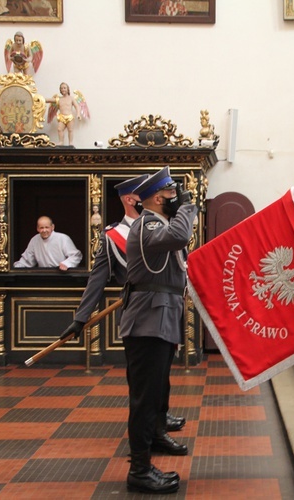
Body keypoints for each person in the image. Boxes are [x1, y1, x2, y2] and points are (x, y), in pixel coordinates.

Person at [59, 175, 187, 439]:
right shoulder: (113, 235)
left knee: (162, 376)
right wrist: (81, 318)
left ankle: (160, 423)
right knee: (144, 381)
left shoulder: (163, 224)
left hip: (166, 309)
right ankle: (147, 433)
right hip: (142, 311)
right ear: (132, 199)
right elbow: (97, 279)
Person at [120, 166, 196, 494]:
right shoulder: (148, 222)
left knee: (154, 394)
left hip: (160, 319)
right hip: (149, 323)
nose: (174, 200)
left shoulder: (156, 223)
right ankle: (139, 470)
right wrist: (188, 207)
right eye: (170, 196)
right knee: (144, 399)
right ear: (155, 199)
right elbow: (179, 236)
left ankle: (152, 443)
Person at [13, 216, 82, 270]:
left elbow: (76, 256)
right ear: (37, 228)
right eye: (41, 228)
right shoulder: (35, 240)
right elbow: (27, 260)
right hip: (43, 275)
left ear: (52, 227)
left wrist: (67, 264)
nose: (44, 230)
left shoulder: (63, 238)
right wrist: (13, 268)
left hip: (62, 274)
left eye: (47, 227)